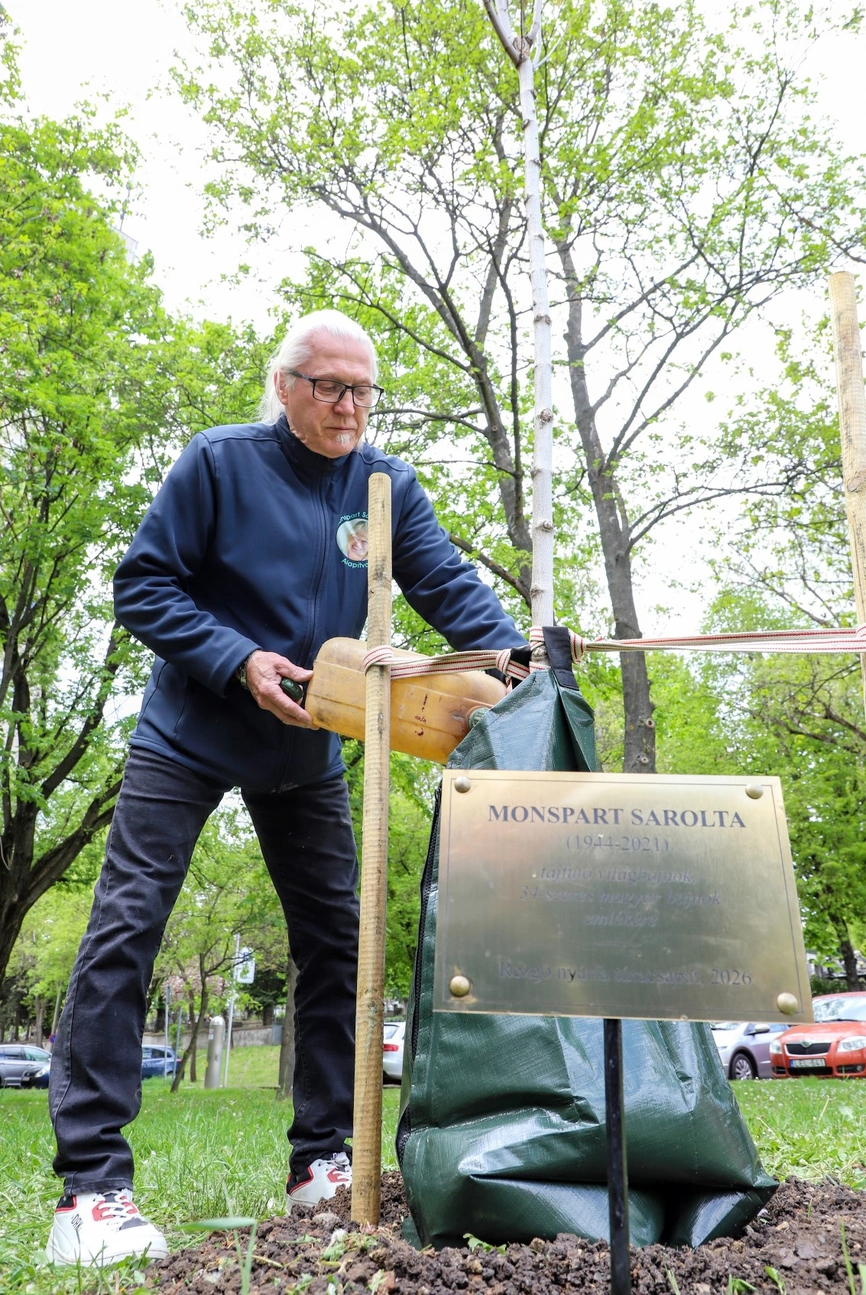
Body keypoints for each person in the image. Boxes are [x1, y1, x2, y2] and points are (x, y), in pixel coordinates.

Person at [46, 310, 526, 1266]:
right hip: (191, 732)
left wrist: (520, 659)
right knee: (127, 929)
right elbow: (142, 585)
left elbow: (448, 587)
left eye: (364, 391)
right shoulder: (219, 464)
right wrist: (237, 662)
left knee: (338, 946)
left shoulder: (385, 487)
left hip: (309, 748)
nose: (350, 408)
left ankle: (322, 1164)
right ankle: (91, 1191)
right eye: (331, 388)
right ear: (286, 386)